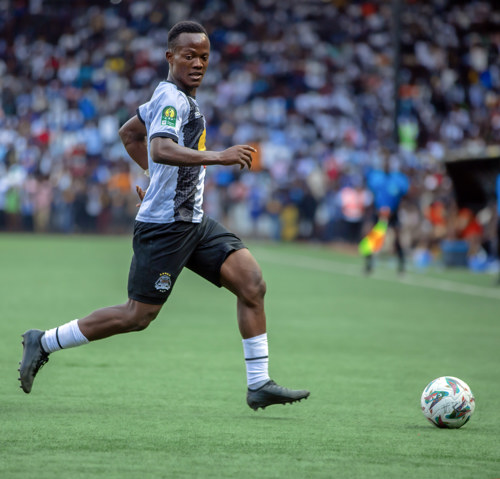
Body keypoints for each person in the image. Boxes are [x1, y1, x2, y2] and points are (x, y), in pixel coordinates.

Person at [18, 21, 309, 411]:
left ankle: (259, 383)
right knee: (137, 316)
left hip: (192, 220)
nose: (198, 63)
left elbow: (128, 133)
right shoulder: (172, 100)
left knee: (252, 284)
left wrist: (156, 181)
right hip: (166, 227)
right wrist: (218, 156)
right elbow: (158, 147)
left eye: (204, 57)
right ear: (170, 57)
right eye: (189, 56)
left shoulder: (169, 96)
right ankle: (44, 341)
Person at [364, 150, 409, 275]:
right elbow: (373, 195)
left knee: (397, 238)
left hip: (393, 213)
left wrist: (393, 211)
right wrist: (377, 210)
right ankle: (368, 264)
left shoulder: (399, 179)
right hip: (378, 212)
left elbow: (403, 196)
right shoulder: (376, 177)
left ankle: (401, 266)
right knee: (370, 236)